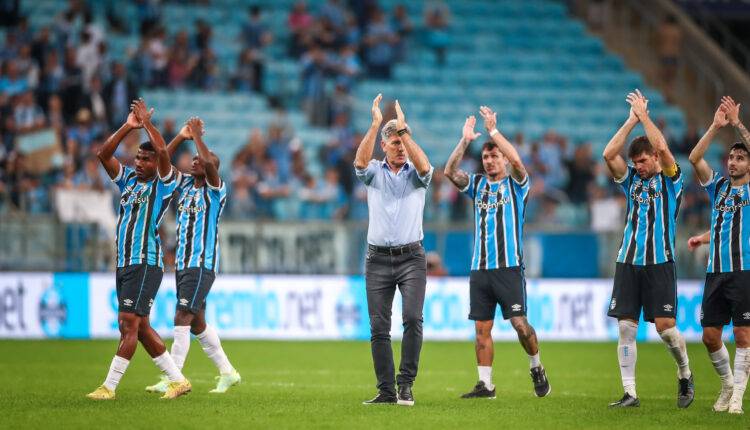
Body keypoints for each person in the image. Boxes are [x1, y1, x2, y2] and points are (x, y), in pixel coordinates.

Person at [86, 99, 190, 400]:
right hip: (125, 261)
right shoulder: (128, 179)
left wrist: (147, 124)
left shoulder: (163, 184)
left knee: (128, 323)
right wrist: (128, 126)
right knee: (140, 327)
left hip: (146, 261)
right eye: (137, 159)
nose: (139, 163)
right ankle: (177, 380)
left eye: (146, 160)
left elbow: (161, 151)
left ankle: (109, 387)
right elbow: (103, 154)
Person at [444, 108, 550, 399]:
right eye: (486, 157)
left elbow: (518, 161)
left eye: (494, 156)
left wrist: (493, 132)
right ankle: (486, 385)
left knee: (519, 325)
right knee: (481, 329)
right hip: (480, 269)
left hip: (509, 268)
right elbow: (449, 172)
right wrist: (465, 141)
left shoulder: (516, 185)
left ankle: (536, 366)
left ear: (502, 158)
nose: (490, 161)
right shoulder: (477, 185)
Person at [602, 90, 693, 408]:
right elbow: (608, 155)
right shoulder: (631, 182)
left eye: (643, 161)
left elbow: (665, 148)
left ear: (654, 158)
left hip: (660, 263)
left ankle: (684, 372)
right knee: (626, 328)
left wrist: (645, 117)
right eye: (635, 162)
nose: (638, 167)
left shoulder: (672, 180)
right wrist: (630, 121)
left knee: (666, 330)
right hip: (628, 261)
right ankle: (630, 392)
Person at [145, 117, 241, 394]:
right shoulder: (185, 185)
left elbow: (210, 163)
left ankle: (173, 376)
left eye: (200, 160)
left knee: (182, 315)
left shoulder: (216, 191)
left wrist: (198, 137)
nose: (195, 161)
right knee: (197, 322)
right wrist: (182, 135)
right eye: (194, 159)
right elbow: (163, 161)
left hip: (202, 263)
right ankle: (228, 372)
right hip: (184, 263)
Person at [354, 94, 433, 406]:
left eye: (404, 142)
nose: (401, 149)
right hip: (377, 260)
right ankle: (386, 391)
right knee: (378, 327)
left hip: (411, 257)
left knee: (413, 318)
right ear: (384, 146)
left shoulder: (416, 174)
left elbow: (427, 167)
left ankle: (406, 384)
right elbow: (359, 162)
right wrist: (376, 124)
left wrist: (403, 131)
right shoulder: (374, 170)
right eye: (395, 143)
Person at [687, 96, 750, 414]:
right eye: (731, 157)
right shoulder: (720, 188)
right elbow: (695, 157)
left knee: (742, 333)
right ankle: (727, 384)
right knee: (710, 336)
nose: (733, 162)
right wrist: (715, 126)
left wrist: (738, 123)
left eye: (740, 158)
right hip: (716, 271)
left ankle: (737, 395)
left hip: (744, 271)